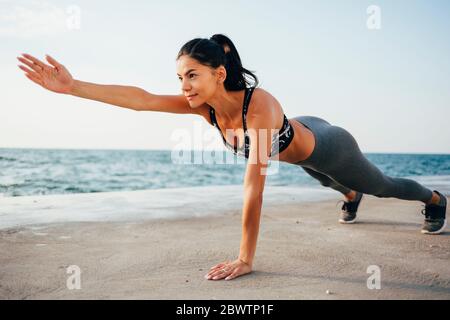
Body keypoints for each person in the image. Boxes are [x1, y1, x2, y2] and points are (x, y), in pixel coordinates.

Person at [17, 33, 447, 282]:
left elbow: (253, 189)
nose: (184, 85)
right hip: (298, 143)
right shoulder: (201, 105)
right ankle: (348, 194)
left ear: (218, 73)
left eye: (192, 75)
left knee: (381, 186)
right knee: (323, 179)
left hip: (330, 144)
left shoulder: (256, 106)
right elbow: (142, 99)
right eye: (181, 77)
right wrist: (74, 87)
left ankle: (433, 200)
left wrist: (245, 258)